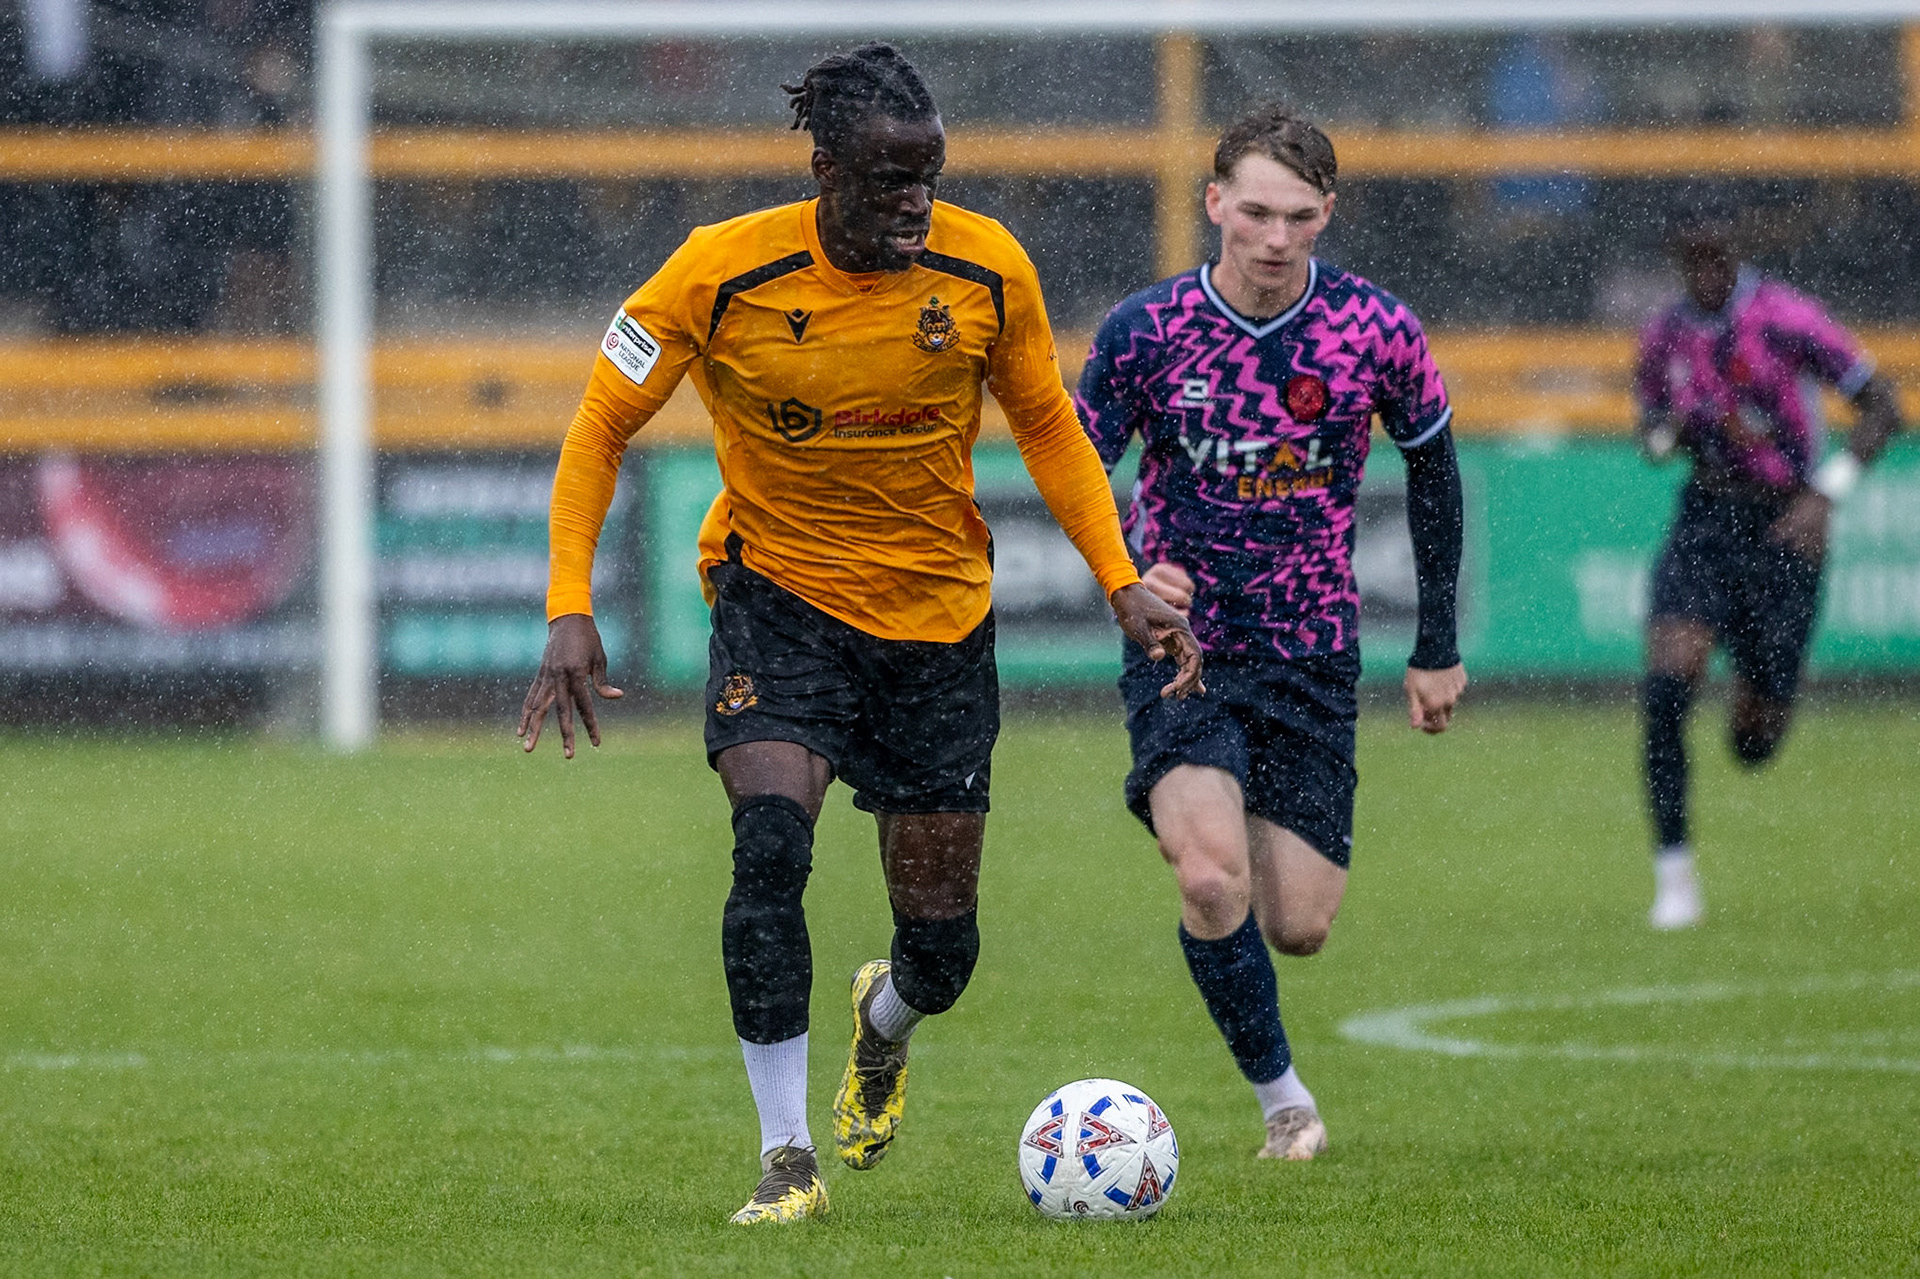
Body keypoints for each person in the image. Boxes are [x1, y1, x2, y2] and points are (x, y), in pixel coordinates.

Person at [516, 43, 1202, 1225]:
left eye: (927, 176)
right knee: (769, 848)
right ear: (823, 169)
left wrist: (1120, 575)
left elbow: (1047, 423)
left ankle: (886, 1019)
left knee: (945, 950)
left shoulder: (986, 269)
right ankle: (788, 1158)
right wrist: (568, 604)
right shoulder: (717, 272)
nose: (913, 202)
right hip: (777, 600)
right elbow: (598, 426)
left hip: (937, 625)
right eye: (889, 179)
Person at [1075, 105, 1466, 1161]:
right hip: (1184, 647)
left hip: (1313, 650)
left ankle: (1213, 818)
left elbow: (1433, 471)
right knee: (1209, 877)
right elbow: (1073, 466)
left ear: (1327, 213)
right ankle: (1284, 1102)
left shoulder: (1376, 330)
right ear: (1214, 204)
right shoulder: (1146, 332)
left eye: (1298, 215)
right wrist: (1124, 570)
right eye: (1254, 210)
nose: (1275, 235)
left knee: (1298, 923)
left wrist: (1436, 644)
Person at [1634, 208, 1901, 930]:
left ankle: (1762, 691)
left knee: (1754, 740)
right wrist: (1669, 435)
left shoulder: (1787, 319)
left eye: (1715, 249)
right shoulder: (1665, 333)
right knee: (1666, 686)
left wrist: (1826, 494)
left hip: (1786, 524)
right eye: (1691, 251)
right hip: (1706, 516)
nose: (1704, 265)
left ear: (1735, 247)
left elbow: (1883, 406)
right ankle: (1674, 874)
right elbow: (1650, 433)